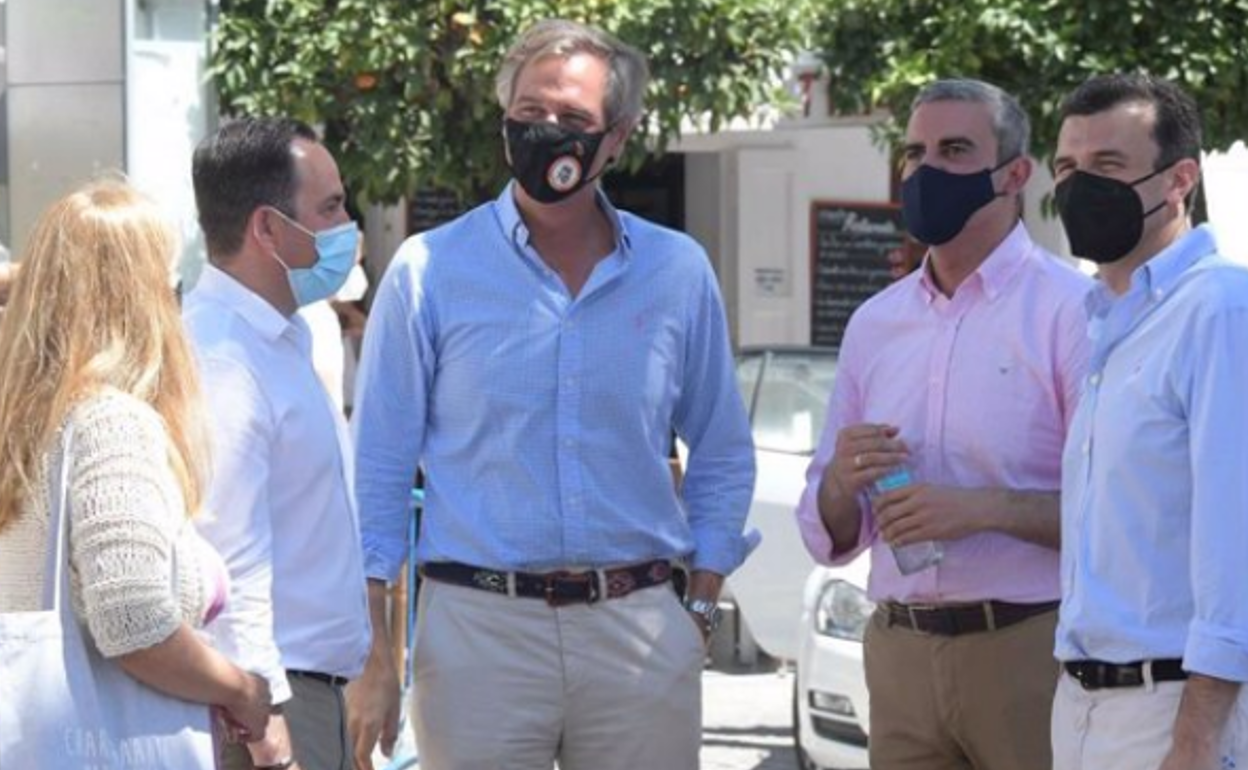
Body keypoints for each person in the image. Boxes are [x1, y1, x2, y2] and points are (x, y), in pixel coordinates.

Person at [347, 18, 755, 770]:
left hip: (638, 633)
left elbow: (723, 450)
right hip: (478, 635)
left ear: (616, 138)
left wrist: (697, 606)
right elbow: (378, 468)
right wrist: (373, 651)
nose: (546, 132)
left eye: (571, 117)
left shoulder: (676, 272)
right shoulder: (428, 270)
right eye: (530, 112)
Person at [795, 78, 1092, 770]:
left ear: (1015, 175)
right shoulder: (875, 323)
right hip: (899, 652)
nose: (926, 171)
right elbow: (828, 527)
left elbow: (1112, 514)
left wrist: (979, 510)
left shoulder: (1073, 312)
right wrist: (840, 482)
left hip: (1028, 647)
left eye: (955, 150)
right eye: (914, 153)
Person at [0, 179, 271, 750]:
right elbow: (132, 622)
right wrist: (241, 689)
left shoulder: (24, 420)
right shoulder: (108, 423)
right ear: (143, 296)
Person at [1050, 73, 1248, 770]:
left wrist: (1195, 739)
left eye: (1108, 165)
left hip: (1172, 713)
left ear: (1180, 179)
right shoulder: (1106, 322)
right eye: (1067, 168)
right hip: (1082, 705)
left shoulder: (1220, 310)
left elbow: (1236, 543)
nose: (1080, 186)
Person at [184, 117, 372, 770]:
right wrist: (262, 722)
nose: (349, 226)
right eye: (331, 207)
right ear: (267, 228)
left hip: (302, 693)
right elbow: (227, 552)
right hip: (271, 705)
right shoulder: (223, 357)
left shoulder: (280, 338)